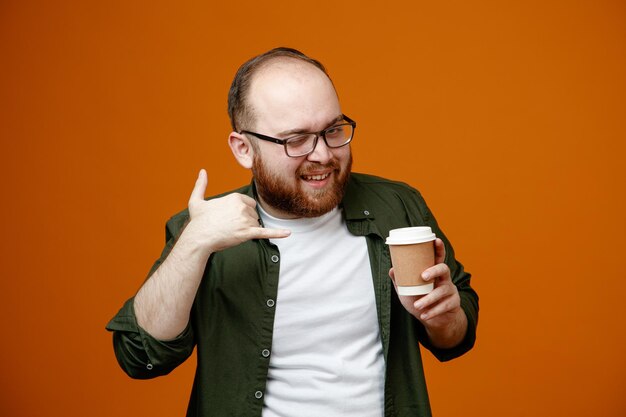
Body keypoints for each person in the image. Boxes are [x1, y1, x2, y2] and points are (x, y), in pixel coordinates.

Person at [107, 47, 479, 417]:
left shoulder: (396, 206)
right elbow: (140, 358)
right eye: (296, 139)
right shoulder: (205, 229)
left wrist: (446, 318)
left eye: (333, 130)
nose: (323, 155)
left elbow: (456, 336)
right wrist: (193, 244)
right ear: (243, 149)